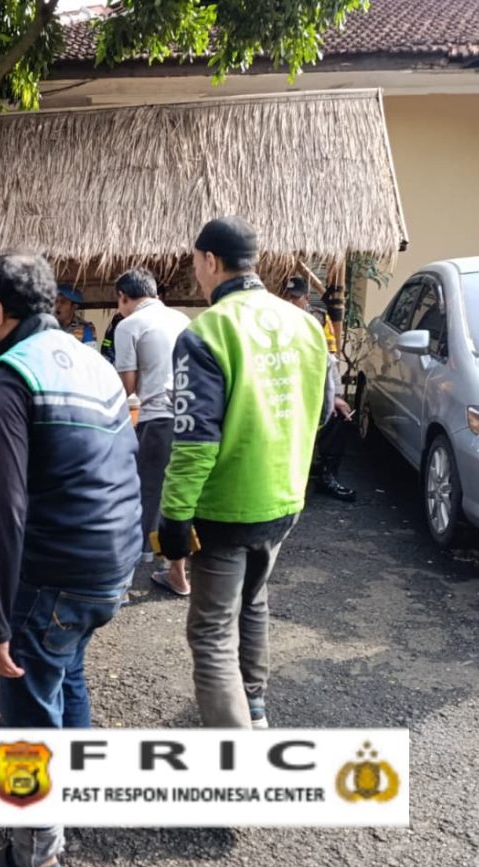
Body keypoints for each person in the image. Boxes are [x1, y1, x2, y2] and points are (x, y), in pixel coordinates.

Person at [0, 251, 141, 867]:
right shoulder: (94, 362)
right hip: (112, 565)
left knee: (27, 707)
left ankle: (35, 859)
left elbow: (5, 512)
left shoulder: (10, 373)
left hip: (54, 572)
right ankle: (68, 802)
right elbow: (99, 458)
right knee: (68, 676)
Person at [158, 217, 333, 729]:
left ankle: (234, 764)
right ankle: (253, 707)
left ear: (211, 261)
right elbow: (321, 413)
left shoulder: (208, 331)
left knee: (210, 633)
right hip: (284, 498)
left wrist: (173, 516)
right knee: (253, 600)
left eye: (196, 262)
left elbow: (195, 440)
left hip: (226, 508)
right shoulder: (305, 324)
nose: (197, 271)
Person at [112, 267, 192, 595]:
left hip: (158, 417)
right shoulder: (183, 320)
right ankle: (178, 571)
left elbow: (127, 386)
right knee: (181, 495)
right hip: (193, 418)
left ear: (124, 297)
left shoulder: (129, 324)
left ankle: (128, 573)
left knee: (145, 492)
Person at [281, 275, 356, 501]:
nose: (292, 303)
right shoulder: (273, 318)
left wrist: (336, 396)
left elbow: (330, 359)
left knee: (340, 417)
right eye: (288, 297)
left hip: (313, 388)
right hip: (284, 388)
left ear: (305, 298)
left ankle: (326, 475)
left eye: (296, 298)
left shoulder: (319, 319)